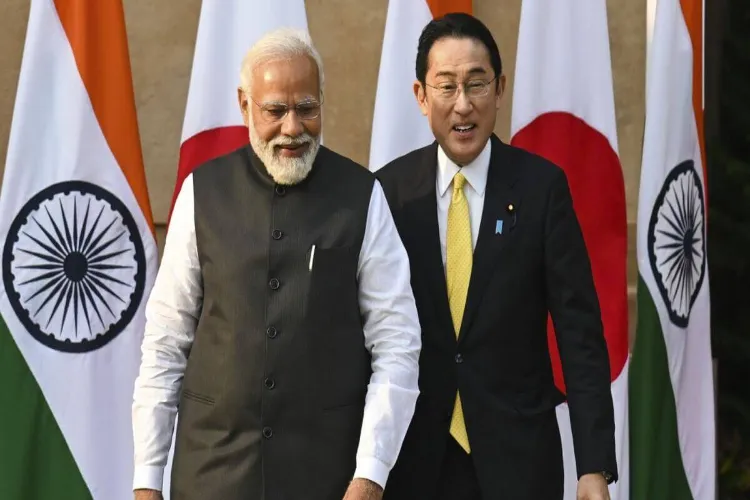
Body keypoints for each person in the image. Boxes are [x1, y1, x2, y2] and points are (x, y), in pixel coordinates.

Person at [131, 28, 421, 500]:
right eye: (275, 111)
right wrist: (147, 479)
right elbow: (165, 343)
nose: (293, 127)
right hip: (212, 475)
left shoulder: (362, 196)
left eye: (306, 108)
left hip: (327, 478)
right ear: (245, 106)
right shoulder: (200, 193)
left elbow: (398, 344)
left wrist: (371, 472)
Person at [375, 13, 617, 500]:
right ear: (421, 96)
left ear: (500, 88)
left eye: (477, 84)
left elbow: (579, 332)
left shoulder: (541, 189)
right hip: (415, 460)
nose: (463, 105)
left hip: (518, 460)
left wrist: (593, 465)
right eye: (446, 86)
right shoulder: (388, 193)